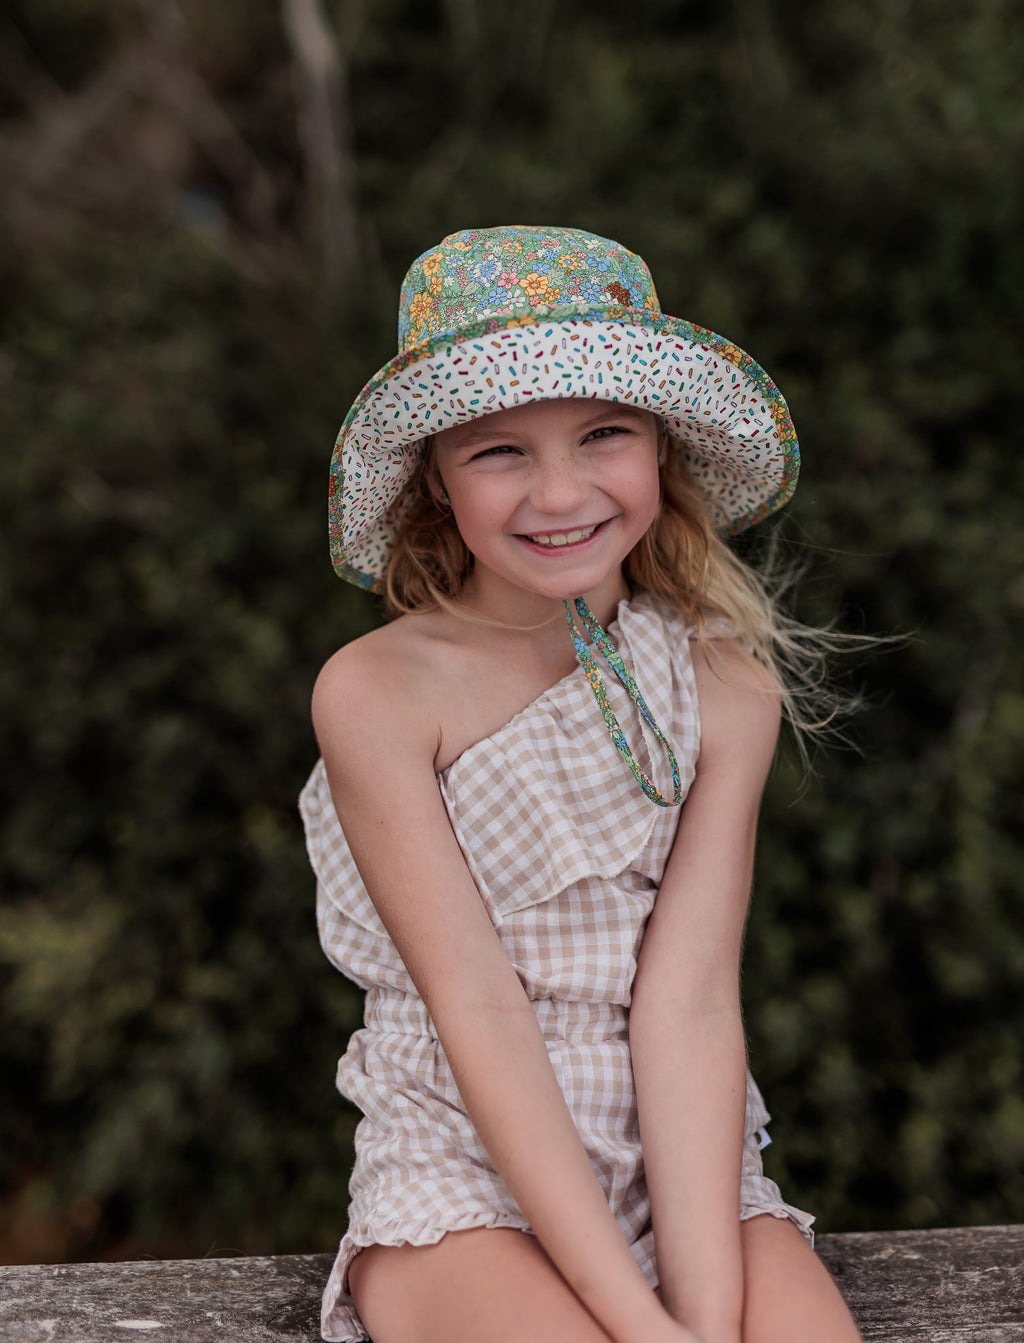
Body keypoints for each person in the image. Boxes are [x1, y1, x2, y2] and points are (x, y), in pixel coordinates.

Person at [300, 225, 863, 1343]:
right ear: (435, 477)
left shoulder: (723, 686)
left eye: (604, 433)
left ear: (660, 447)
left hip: (682, 1155)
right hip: (461, 1153)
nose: (560, 492)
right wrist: (640, 1329)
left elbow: (690, 1001)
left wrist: (702, 1311)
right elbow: (476, 1006)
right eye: (497, 450)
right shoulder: (378, 692)